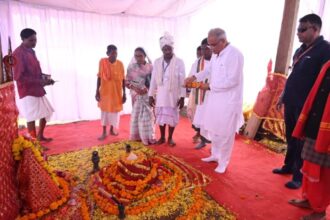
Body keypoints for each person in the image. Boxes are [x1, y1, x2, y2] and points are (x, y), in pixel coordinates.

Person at [273, 13, 330, 189]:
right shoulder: (300, 50)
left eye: (302, 29)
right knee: (290, 136)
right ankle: (288, 166)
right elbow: (293, 75)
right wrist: (283, 96)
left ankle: (299, 176)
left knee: (301, 140)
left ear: (315, 29)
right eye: (298, 29)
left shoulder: (325, 49)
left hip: (308, 106)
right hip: (291, 101)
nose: (298, 33)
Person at [185, 28, 244, 173]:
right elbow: (208, 70)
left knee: (225, 133)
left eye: (213, 45)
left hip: (228, 101)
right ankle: (215, 155)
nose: (210, 48)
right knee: (214, 129)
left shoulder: (234, 55)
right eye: (209, 45)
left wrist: (209, 86)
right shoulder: (216, 55)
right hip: (215, 99)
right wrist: (194, 77)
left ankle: (224, 162)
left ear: (223, 41)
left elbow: (233, 81)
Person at [288, 60, 330, 220]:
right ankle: (309, 200)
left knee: (323, 172)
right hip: (315, 124)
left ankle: (319, 211)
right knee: (309, 166)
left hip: (326, 132)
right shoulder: (327, 64)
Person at [13, 28, 55, 142]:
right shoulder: (18, 53)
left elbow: (35, 71)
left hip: (37, 89)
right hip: (27, 90)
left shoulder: (31, 51)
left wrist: (45, 78)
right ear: (23, 39)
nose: (34, 43)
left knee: (47, 111)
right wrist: (40, 81)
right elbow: (18, 77)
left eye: (35, 40)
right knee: (31, 117)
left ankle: (40, 136)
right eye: (31, 40)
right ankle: (34, 143)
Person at [148, 32, 186, 147]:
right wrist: (151, 95)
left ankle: (170, 138)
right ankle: (162, 137)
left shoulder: (179, 62)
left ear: (172, 48)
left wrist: (182, 97)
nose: (167, 50)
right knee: (160, 116)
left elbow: (182, 80)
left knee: (172, 116)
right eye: (164, 48)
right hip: (161, 95)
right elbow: (153, 80)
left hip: (173, 95)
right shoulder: (157, 61)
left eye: (169, 48)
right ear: (162, 49)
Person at [126, 47, 156, 145]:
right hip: (136, 95)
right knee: (137, 115)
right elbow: (127, 82)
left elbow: (154, 81)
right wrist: (135, 89)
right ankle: (137, 136)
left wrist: (146, 89)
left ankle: (148, 137)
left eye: (140, 56)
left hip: (148, 95)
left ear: (145, 56)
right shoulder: (131, 67)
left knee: (147, 116)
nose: (138, 58)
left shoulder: (151, 67)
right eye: (136, 56)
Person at [95, 44, 126, 140]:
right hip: (105, 93)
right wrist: (97, 91)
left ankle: (112, 130)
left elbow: (123, 79)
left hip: (116, 93)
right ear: (107, 53)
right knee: (105, 112)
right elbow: (99, 77)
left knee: (115, 113)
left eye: (116, 53)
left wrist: (124, 93)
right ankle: (104, 131)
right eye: (112, 53)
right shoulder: (102, 62)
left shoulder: (120, 64)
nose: (114, 55)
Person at [187, 38, 212, 149]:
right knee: (201, 120)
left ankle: (215, 146)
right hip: (201, 96)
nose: (204, 51)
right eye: (202, 48)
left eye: (206, 48)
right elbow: (190, 80)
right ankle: (202, 140)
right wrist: (198, 86)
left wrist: (209, 87)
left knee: (214, 121)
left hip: (214, 96)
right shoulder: (197, 62)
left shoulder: (217, 61)